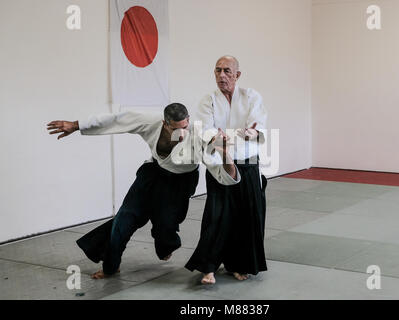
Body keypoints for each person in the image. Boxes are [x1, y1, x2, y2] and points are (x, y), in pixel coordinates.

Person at [47, 103, 240, 279]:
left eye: (184, 127)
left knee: (165, 227)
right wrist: (77, 125)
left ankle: (167, 245)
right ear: (165, 123)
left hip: (179, 183)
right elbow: (117, 119)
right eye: (175, 129)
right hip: (152, 174)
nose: (181, 133)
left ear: (188, 120)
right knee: (124, 218)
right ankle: (111, 266)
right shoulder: (150, 121)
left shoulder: (200, 135)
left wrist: (224, 153)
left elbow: (223, 173)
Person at [185, 56, 268, 284]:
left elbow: (258, 123)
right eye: (218, 70)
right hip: (220, 162)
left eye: (227, 71)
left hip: (248, 162)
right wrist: (216, 137)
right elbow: (205, 129)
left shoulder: (251, 96)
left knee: (247, 216)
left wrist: (253, 132)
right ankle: (208, 266)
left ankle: (239, 265)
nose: (222, 75)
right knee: (217, 214)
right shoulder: (208, 100)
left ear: (237, 75)